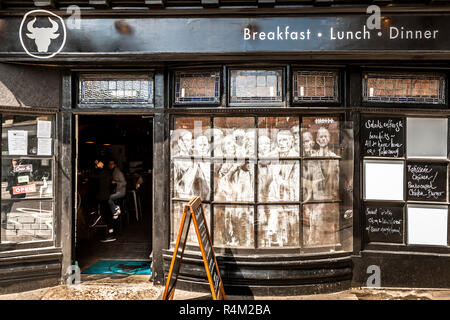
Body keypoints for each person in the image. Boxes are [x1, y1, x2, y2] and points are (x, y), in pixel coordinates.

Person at [90, 159, 115, 242]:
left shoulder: (102, 172)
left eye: (99, 163)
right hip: (108, 196)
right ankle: (110, 233)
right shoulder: (108, 172)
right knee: (108, 214)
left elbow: (91, 175)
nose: (98, 164)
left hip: (103, 197)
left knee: (106, 214)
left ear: (102, 164)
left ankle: (110, 234)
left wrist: (96, 167)